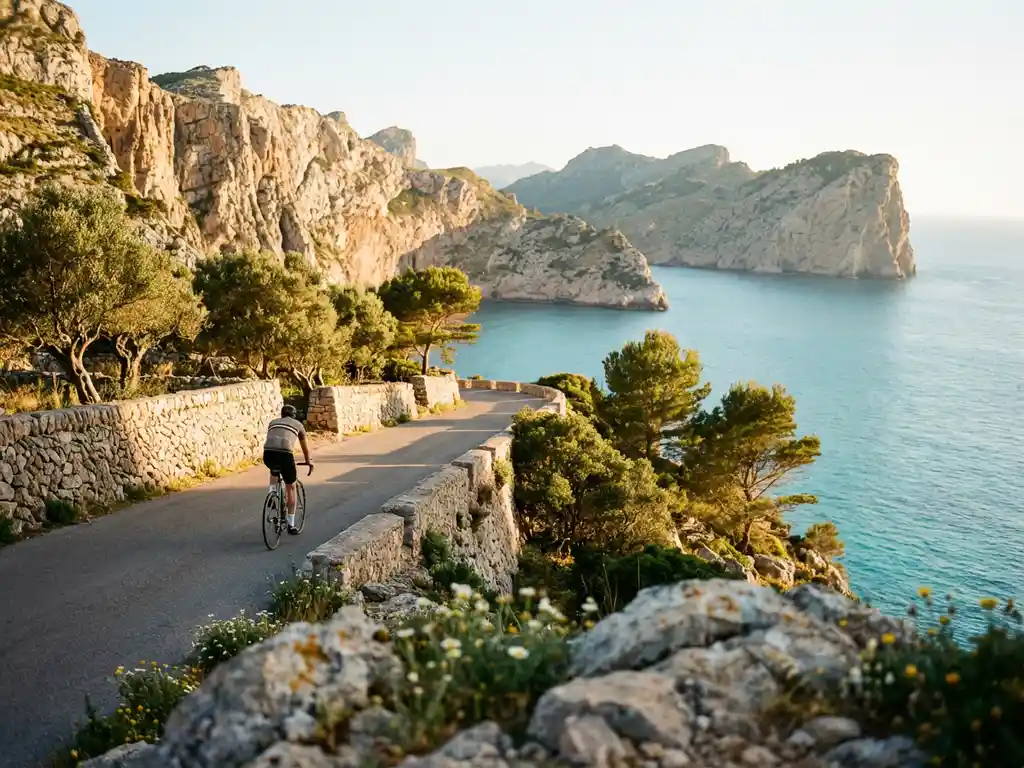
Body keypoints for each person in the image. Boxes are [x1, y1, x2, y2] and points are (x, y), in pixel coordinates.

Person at [263, 404, 313, 535]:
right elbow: (304, 446)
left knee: (274, 468)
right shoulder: (298, 425)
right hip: (285, 454)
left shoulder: (272, 422)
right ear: (294, 415)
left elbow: (272, 440)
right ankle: (291, 525)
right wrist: (308, 461)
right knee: (291, 487)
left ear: (282, 414)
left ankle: (272, 493)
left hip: (268, 454)